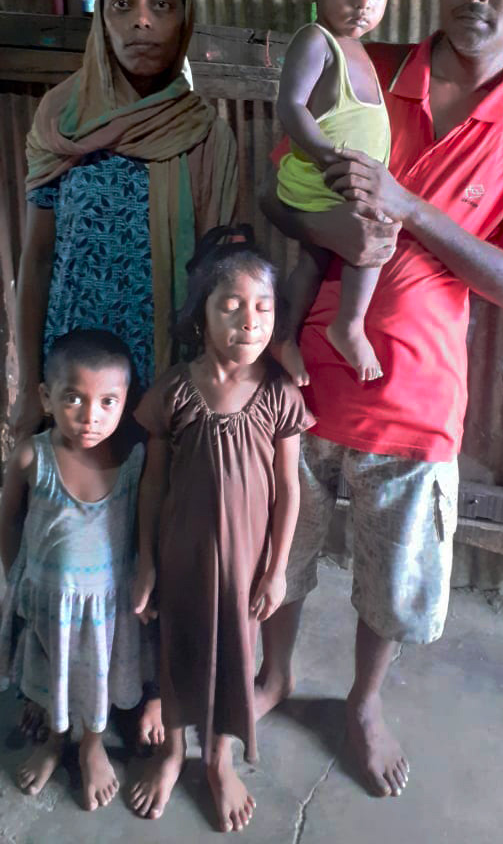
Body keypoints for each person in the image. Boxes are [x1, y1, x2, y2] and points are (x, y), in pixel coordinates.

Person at [258, 0, 503, 800]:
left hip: (416, 399)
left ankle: (360, 700)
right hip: (306, 376)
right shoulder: (359, 65)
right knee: (287, 545)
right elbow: (279, 195)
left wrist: (409, 209)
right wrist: (339, 230)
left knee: (391, 582)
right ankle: (275, 673)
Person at [13, 0, 238, 745]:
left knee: (147, 546)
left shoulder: (205, 133)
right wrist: (23, 389)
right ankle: (56, 686)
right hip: (73, 378)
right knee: (65, 537)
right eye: (121, 3)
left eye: (161, 4)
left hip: (157, 380)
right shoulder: (59, 117)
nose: (141, 21)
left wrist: (198, 398)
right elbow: (35, 262)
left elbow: (217, 280)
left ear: (184, 20)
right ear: (98, 16)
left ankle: (145, 696)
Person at [128, 226, 315, 831]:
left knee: (237, 658)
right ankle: (173, 753)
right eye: (230, 306)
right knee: (175, 653)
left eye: (262, 308)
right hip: (181, 559)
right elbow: (152, 482)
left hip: (245, 568)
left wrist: (278, 567)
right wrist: (146, 561)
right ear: (201, 314)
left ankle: (220, 760)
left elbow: (290, 491)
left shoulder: (280, 395)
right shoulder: (176, 389)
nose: (248, 322)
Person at [0, 329, 144, 810]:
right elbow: (8, 523)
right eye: (73, 399)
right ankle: (53, 743)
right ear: (45, 397)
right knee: (47, 673)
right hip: (46, 601)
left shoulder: (132, 461)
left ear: (126, 402)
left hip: (107, 608)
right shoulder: (31, 457)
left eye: (107, 401)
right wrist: (17, 579)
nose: (90, 416)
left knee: (98, 678)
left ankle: (91, 744)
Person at [276, 0, 394, 385]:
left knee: (312, 260)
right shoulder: (316, 41)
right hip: (319, 176)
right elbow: (290, 106)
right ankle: (348, 324)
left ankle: (285, 335)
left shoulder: (361, 51)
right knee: (376, 232)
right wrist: (327, 156)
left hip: (339, 178)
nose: (364, 2)